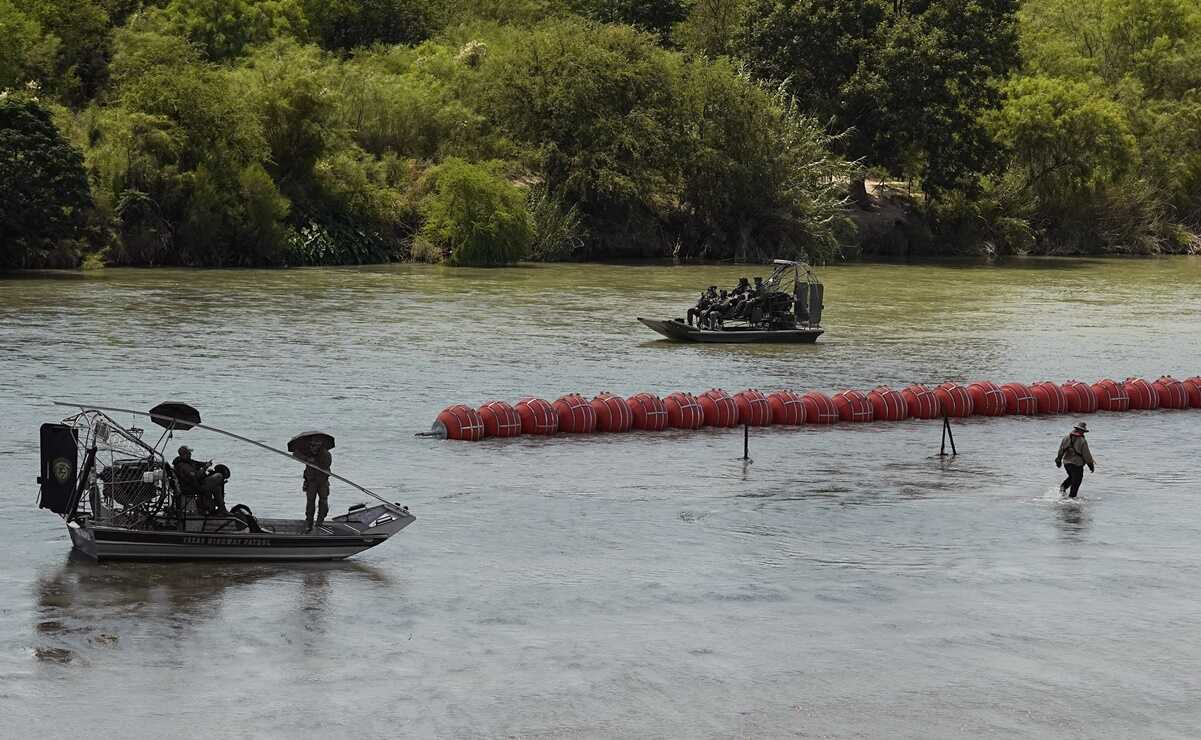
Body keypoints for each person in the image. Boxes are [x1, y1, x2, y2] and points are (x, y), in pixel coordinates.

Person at [1055, 421, 1096, 498]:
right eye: (1083, 431)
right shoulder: (1082, 441)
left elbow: (1061, 450)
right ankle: (1071, 499)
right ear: (1081, 430)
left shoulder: (1066, 437)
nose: (1083, 433)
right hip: (1077, 465)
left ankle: (1062, 490)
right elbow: (1087, 455)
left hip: (1066, 464)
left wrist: (1059, 460)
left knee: (1071, 478)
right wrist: (1091, 466)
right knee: (1076, 482)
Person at [300, 439, 333, 531]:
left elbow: (326, 464)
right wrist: (306, 459)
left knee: (323, 501)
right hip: (311, 482)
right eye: (311, 445)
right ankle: (309, 523)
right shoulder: (307, 452)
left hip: (323, 482)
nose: (312, 448)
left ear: (319, 446)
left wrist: (315, 461)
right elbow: (296, 454)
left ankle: (319, 522)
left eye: (314, 446)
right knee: (310, 502)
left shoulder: (326, 454)